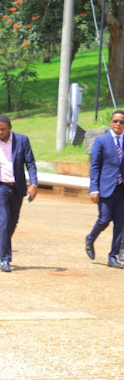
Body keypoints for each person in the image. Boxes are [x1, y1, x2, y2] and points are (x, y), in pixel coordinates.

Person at [0, 114, 38, 272]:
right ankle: (5, 258)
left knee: (13, 221)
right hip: (0, 187)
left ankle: (2, 243)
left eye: (3, 129)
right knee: (4, 221)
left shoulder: (22, 140)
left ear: (10, 127)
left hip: (17, 187)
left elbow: (30, 163)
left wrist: (34, 183)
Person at [86, 111, 124, 268]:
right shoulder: (101, 141)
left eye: (121, 122)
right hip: (106, 188)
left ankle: (112, 256)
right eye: (115, 121)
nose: (118, 124)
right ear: (110, 122)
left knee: (120, 224)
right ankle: (90, 238)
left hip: (122, 189)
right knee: (104, 219)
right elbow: (94, 166)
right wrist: (94, 189)